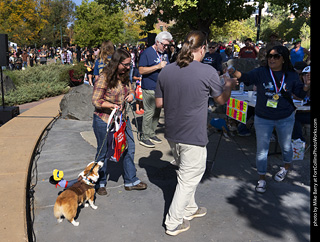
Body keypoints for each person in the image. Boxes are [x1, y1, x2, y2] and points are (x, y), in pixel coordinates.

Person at [155, 30, 237, 236]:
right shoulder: (207, 71)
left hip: (172, 131)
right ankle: (173, 222)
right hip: (192, 133)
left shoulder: (166, 71)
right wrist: (227, 85)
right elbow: (221, 100)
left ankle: (190, 209)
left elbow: (158, 103)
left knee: (186, 173)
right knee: (189, 178)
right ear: (202, 48)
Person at [228, 45, 310, 193]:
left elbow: (300, 94)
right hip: (263, 117)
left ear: (283, 59)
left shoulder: (291, 74)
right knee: (261, 150)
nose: (272, 59)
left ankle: (285, 167)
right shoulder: (261, 72)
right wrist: (233, 72)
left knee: (286, 146)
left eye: (276, 56)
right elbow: (246, 77)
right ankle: (261, 178)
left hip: (285, 117)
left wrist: (306, 86)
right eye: (270, 56)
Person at [92, 48, 147, 196]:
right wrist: (111, 106)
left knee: (129, 147)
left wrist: (131, 95)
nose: (129, 67)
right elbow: (96, 100)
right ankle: (100, 182)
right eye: (126, 64)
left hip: (122, 119)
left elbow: (131, 90)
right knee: (103, 152)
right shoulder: (104, 77)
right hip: (104, 120)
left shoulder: (124, 76)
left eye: (130, 64)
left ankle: (130, 180)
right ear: (117, 63)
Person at [138, 31, 173, 148]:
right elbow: (141, 70)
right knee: (149, 111)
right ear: (157, 42)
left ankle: (152, 133)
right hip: (149, 86)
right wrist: (157, 66)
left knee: (157, 111)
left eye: (168, 45)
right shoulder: (147, 53)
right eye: (164, 45)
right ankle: (145, 136)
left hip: (161, 88)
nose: (166, 47)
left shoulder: (164, 54)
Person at [292, 66, 311, 142]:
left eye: (309, 74)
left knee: (294, 118)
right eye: (305, 74)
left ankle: (299, 141)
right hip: (302, 111)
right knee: (290, 117)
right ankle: (297, 141)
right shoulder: (300, 86)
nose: (307, 77)